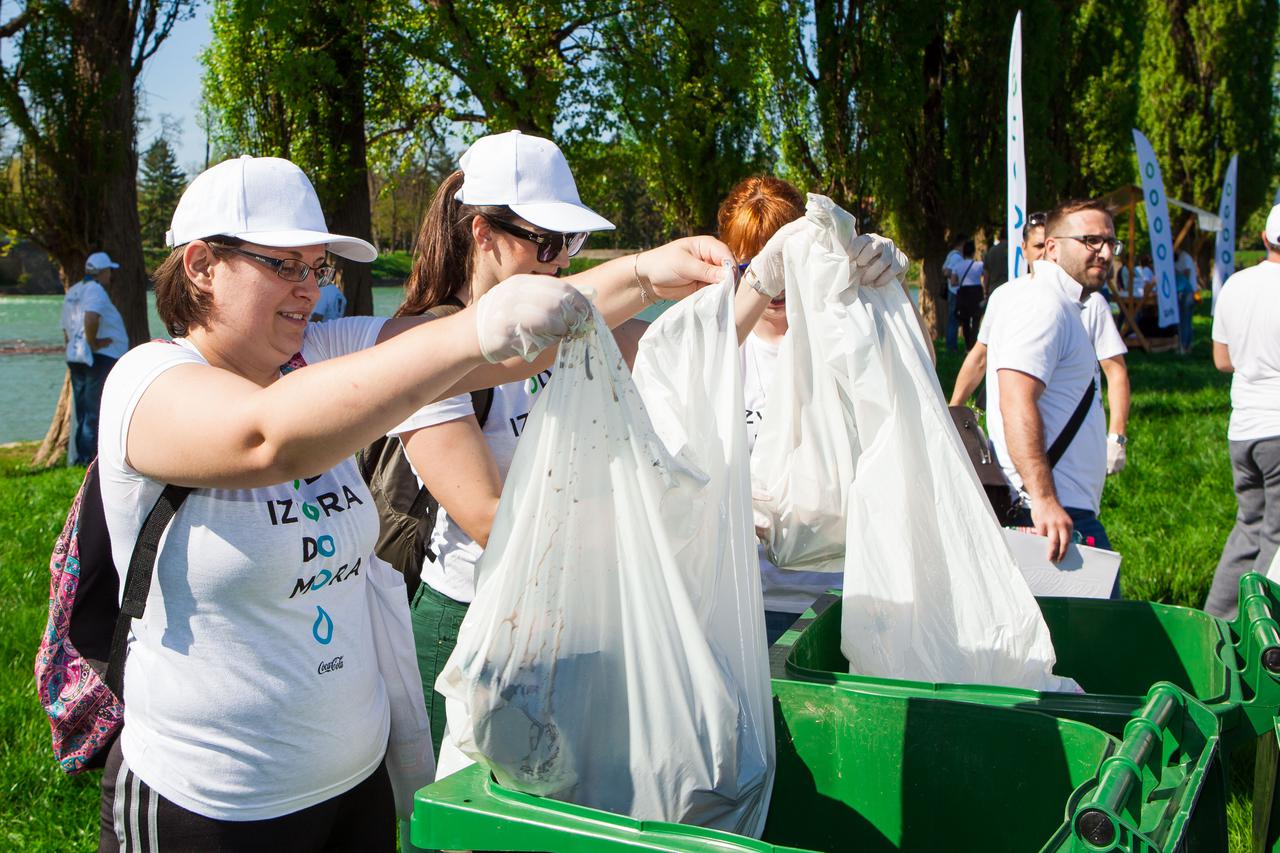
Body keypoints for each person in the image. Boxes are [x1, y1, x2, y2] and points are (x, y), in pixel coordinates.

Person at [94, 153, 729, 851]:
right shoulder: (146, 380)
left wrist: (642, 273)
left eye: (317, 268)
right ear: (201, 266)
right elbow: (267, 437)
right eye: (284, 264)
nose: (307, 289)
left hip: (355, 791)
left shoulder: (319, 350)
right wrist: (472, 328)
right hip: (213, 804)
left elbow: (501, 357)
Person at [983, 199, 1120, 583]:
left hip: (1059, 509)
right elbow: (1016, 397)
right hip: (1052, 516)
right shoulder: (1044, 303)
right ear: (1054, 246)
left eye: (1111, 242)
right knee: (1098, 641)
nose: (1104, 252)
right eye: (1091, 240)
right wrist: (1043, 499)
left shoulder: (1061, 302)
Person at [950, 215, 1130, 478]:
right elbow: (980, 357)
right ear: (1023, 249)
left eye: (1050, 246)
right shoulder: (1004, 297)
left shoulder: (1091, 304)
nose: (1046, 254)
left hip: (1071, 459)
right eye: (1038, 246)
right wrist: (953, 411)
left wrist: (1117, 437)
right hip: (1007, 461)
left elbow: (1116, 372)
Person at [1203, 204, 1280, 619]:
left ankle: (1218, 621)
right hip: (1278, 425)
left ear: (1266, 239)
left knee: (1249, 526)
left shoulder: (1235, 284)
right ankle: (1262, 628)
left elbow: (1221, 360)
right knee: (1277, 537)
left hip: (1244, 427)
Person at [59, 251, 128, 462]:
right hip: (98, 357)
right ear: (102, 272)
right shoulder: (95, 290)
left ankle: (81, 456)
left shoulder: (74, 291)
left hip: (77, 356)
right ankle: (88, 459)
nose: (110, 276)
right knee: (94, 410)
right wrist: (94, 343)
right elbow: (91, 318)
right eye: (109, 271)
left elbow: (66, 327)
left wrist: (74, 346)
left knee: (83, 409)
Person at [954, 239, 985, 350]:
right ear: (973, 252)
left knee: (965, 320)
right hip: (976, 292)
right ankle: (974, 343)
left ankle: (968, 346)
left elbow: (953, 281)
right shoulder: (979, 265)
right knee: (976, 319)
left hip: (963, 292)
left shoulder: (958, 266)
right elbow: (985, 277)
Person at [942, 235, 967, 351]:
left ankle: (950, 345)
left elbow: (944, 269)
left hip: (951, 290)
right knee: (954, 319)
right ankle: (952, 347)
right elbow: (947, 271)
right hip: (955, 290)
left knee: (952, 318)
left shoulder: (951, 254)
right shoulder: (957, 257)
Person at [1174, 247, 1199, 353]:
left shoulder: (1184, 257)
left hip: (1187, 293)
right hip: (1187, 292)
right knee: (1186, 320)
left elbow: (1186, 274)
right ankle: (1187, 346)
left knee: (1185, 320)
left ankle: (1184, 345)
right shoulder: (1182, 258)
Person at [984, 226, 1010, 294]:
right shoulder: (1012, 250)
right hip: (1008, 287)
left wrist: (985, 291)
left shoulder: (990, 251)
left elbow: (986, 274)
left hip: (993, 289)